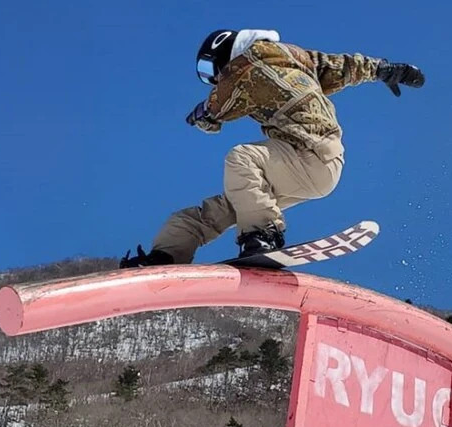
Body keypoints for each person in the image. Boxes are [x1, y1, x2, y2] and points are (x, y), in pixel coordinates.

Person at [120, 28, 424, 268]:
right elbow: (341, 66)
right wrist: (384, 70)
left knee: (242, 159)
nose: (212, 78)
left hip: (308, 152)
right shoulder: (296, 57)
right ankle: (166, 255)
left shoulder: (244, 64)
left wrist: (202, 114)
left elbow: (218, 107)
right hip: (312, 162)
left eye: (208, 70)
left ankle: (262, 235)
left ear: (223, 51)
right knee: (235, 202)